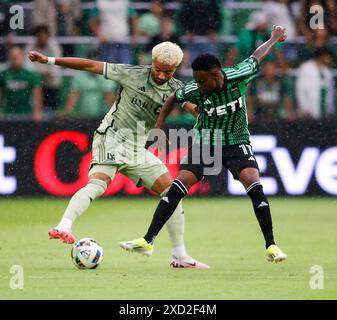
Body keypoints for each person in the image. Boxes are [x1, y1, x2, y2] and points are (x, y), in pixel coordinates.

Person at [28, 41, 209, 268]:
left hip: (136, 148)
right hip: (111, 138)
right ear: (151, 62)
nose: (162, 75)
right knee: (98, 185)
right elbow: (91, 66)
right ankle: (64, 225)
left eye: (168, 71)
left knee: (172, 191)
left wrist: (214, 112)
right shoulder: (131, 74)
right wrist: (50, 60)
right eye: (158, 69)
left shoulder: (177, 89)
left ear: (176, 69)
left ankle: (179, 256)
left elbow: (197, 111)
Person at [120, 26, 288, 264]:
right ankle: (147, 240)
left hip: (236, 141)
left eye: (201, 81)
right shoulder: (194, 90)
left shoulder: (238, 75)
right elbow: (172, 99)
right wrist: (158, 126)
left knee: (253, 182)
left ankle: (271, 245)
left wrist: (273, 38)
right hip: (207, 141)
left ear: (216, 75)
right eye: (195, 80)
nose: (197, 85)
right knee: (179, 185)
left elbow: (257, 56)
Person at [0, 46, 43, 121]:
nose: (15, 59)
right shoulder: (4, 73)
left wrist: (37, 111)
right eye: (13, 57)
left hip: (27, 112)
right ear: (9, 58)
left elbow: (37, 93)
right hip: (8, 112)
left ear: (22, 57)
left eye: (17, 56)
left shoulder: (31, 73)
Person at [296, 47, 335, 119]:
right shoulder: (306, 68)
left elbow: (330, 93)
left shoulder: (328, 72)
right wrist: (305, 108)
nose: (330, 59)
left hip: (324, 114)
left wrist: (330, 110)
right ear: (321, 56)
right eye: (328, 56)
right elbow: (300, 90)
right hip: (309, 112)